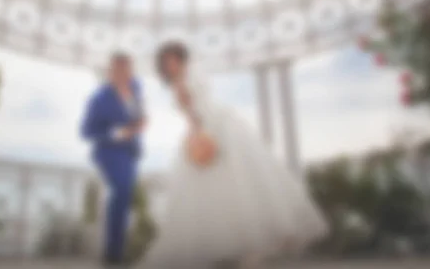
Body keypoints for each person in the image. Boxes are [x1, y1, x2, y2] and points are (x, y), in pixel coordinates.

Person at [139, 42, 328, 268]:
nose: (171, 65)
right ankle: (221, 250)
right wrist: (195, 134)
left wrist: (199, 122)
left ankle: (254, 248)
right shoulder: (175, 84)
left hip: (220, 127)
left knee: (239, 185)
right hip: (198, 133)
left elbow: (200, 103)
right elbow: (189, 114)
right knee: (207, 192)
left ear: (181, 59)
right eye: (166, 62)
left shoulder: (193, 73)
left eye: (174, 59)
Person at [81, 53, 146, 266]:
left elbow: (138, 113)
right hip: (108, 151)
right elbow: (86, 132)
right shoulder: (99, 98)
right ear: (110, 72)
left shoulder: (136, 87)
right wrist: (119, 133)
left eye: (127, 70)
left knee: (124, 196)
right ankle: (113, 253)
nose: (123, 75)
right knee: (120, 189)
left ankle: (116, 250)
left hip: (130, 152)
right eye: (118, 70)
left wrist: (141, 122)